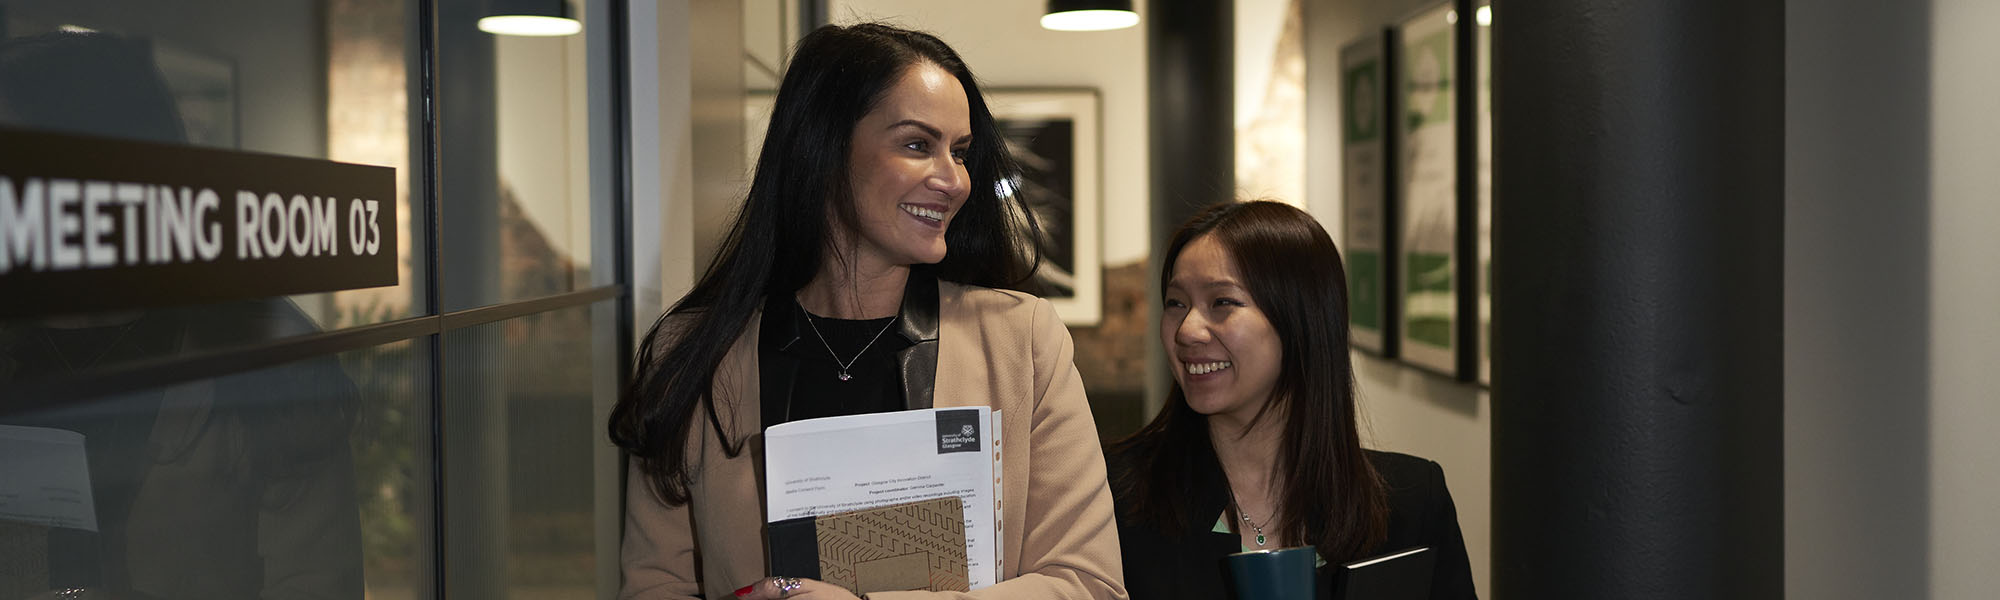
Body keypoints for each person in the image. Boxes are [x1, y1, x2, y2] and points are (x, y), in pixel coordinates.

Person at [607, 23, 1125, 600]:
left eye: (959, 152)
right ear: (823, 150)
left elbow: (1088, 584)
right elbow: (654, 587)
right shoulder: (694, 354)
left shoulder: (1021, 341)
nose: (954, 180)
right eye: (916, 144)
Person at [1106, 201, 1476, 599]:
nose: (1187, 330)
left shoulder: (1413, 503)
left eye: (1222, 302)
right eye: (1176, 303)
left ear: (1300, 319)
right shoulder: (1113, 495)